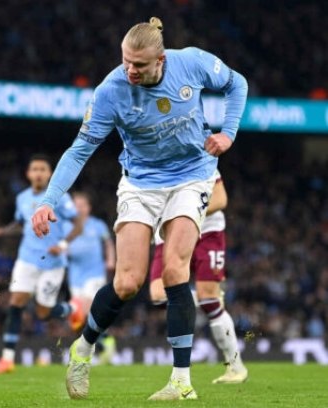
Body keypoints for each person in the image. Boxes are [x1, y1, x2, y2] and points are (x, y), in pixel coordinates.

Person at [31, 17, 247, 401]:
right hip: (141, 183)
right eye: (126, 61)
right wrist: (49, 201)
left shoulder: (192, 62)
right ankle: (84, 348)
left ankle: (181, 381)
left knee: (175, 272)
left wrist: (228, 132)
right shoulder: (110, 91)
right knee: (128, 282)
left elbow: (236, 83)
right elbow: (79, 150)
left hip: (193, 176)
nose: (130, 70)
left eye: (140, 65)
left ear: (161, 60)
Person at [0, 154, 84, 374]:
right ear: (28, 174)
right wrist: (0, 232)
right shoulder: (22, 198)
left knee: (42, 313)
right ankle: (7, 359)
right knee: (16, 302)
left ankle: (73, 308)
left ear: (50, 174)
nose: (38, 173)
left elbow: (78, 224)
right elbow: (21, 224)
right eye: (34, 169)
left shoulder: (60, 198)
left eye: (43, 169)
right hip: (27, 258)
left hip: (53, 261)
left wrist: (64, 244)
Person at [150, 173, 248, 383]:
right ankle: (207, 298)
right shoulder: (154, 161)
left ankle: (236, 367)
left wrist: (184, 213)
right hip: (167, 235)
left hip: (208, 233)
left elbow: (221, 199)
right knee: (158, 295)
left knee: (209, 301)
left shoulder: (202, 159)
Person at [64, 192, 117, 363]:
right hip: (75, 275)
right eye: (75, 206)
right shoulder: (66, 226)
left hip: (94, 273)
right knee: (78, 317)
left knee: (85, 308)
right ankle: (102, 342)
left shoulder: (97, 225)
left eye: (82, 205)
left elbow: (108, 242)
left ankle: (97, 345)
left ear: (88, 208)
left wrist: (111, 259)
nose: (78, 209)